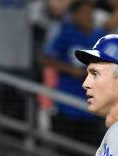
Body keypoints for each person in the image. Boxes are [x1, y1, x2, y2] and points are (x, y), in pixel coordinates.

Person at [44, 0, 106, 146]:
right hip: (66, 106)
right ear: (74, 15)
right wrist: (70, 70)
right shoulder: (67, 33)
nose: (88, 16)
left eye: (90, 13)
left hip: (91, 112)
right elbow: (46, 59)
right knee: (61, 152)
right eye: (84, 12)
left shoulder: (101, 37)